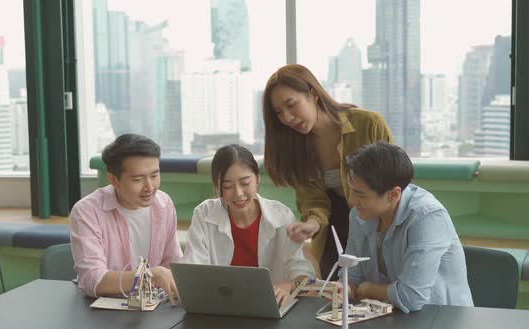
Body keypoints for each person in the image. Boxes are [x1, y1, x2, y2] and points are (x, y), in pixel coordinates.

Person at [262, 64, 393, 278]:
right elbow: (314, 202)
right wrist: (311, 225)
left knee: (379, 294)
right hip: (334, 231)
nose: (287, 117)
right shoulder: (296, 148)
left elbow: (392, 183)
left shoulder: (368, 124)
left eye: (291, 105)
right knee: (336, 299)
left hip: (377, 224)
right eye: (279, 112)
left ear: (313, 94)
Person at [340, 141, 473, 312]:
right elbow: (353, 275)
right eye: (350, 190)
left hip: (439, 318)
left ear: (393, 195)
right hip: (389, 317)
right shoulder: (359, 214)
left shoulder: (428, 216)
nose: (352, 200)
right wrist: (345, 288)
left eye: (361, 195)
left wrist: (367, 289)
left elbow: (411, 297)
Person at [182, 144, 315, 306]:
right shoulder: (204, 214)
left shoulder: (281, 216)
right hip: (219, 307)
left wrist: (289, 286)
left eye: (245, 183)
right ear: (217, 186)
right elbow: (192, 271)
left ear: (257, 179)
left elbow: (305, 275)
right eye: (227, 186)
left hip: (270, 306)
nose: (238, 193)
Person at [70, 134, 182, 303]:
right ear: (114, 180)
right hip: (103, 313)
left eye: (154, 175)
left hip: (154, 307)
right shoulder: (87, 211)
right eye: (138, 179)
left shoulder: (163, 204)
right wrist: (148, 276)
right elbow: (92, 279)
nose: (150, 187)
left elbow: (172, 263)